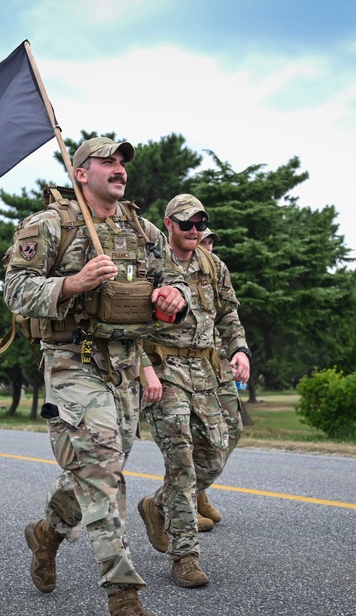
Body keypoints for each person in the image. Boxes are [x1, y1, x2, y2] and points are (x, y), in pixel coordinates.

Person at [3, 136, 188, 616]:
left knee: (93, 473)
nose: (119, 167)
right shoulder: (50, 225)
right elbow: (15, 289)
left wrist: (175, 297)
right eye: (107, 160)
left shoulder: (141, 229)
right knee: (104, 473)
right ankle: (125, 605)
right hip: (71, 365)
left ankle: (45, 534)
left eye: (123, 161)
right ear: (80, 171)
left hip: (125, 368)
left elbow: (174, 281)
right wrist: (73, 283)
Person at [137, 194, 250, 588]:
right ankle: (184, 555)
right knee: (181, 458)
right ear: (169, 224)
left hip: (207, 367)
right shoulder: (150, 265)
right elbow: (126, 324)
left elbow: (228, 314)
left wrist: (239, 350)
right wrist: (143, 368)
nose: (195, 231)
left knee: (219, 450)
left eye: (200, 224)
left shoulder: (213, 264)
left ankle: (158, 505)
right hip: (164, 369)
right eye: (186, 223)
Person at [195, 228, 246, 525]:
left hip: (219, 362)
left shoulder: (217, 271)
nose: (208, 245)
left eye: (211, 241)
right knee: (190, 436)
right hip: (185, 366)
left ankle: (198, 489)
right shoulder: (169, 266)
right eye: (204, 241)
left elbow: (230, 315)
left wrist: (240, 351)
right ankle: (183, 503)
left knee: (232, 427)